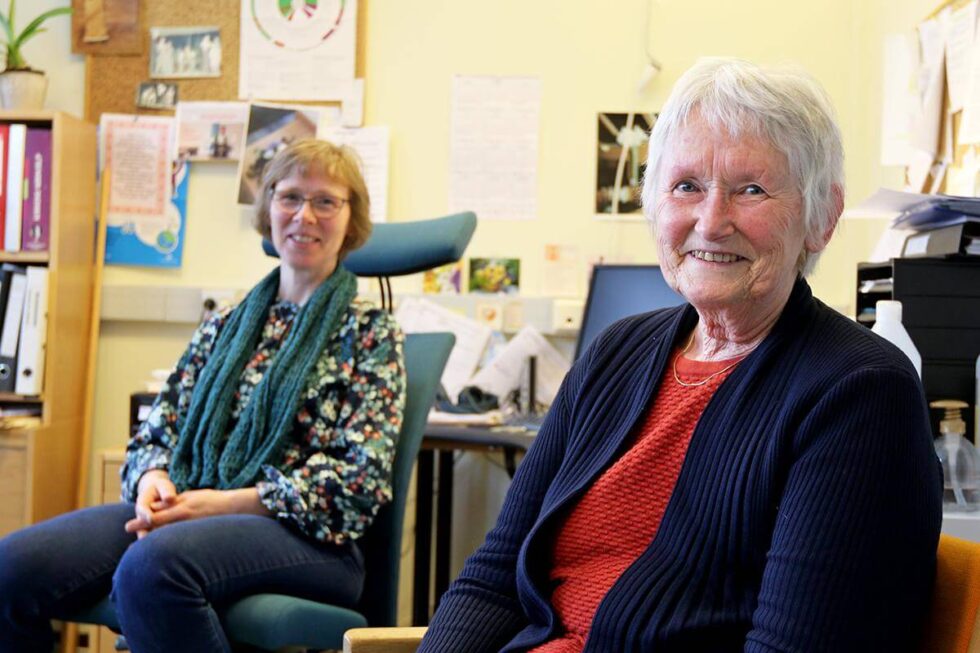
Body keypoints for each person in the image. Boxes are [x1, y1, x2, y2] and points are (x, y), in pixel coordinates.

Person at [419, 58, 942, 653]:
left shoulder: (860, 392)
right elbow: (494, 579)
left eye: (751, 189)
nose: (711, 222)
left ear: (821, 217)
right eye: (686, 186)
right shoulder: (616, 353)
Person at [0, 139, 406, 652]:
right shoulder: (225, 325)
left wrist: (229, 504)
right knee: (11, 570)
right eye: (290, 197)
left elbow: (359, 478)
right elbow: (157, 430)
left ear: (352, 220)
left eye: (325, 201)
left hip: (312, 540)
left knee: (152, 568)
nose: (305, 215)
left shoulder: (371, 333)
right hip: (189, 507)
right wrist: (153, 480)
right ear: (269, 207)